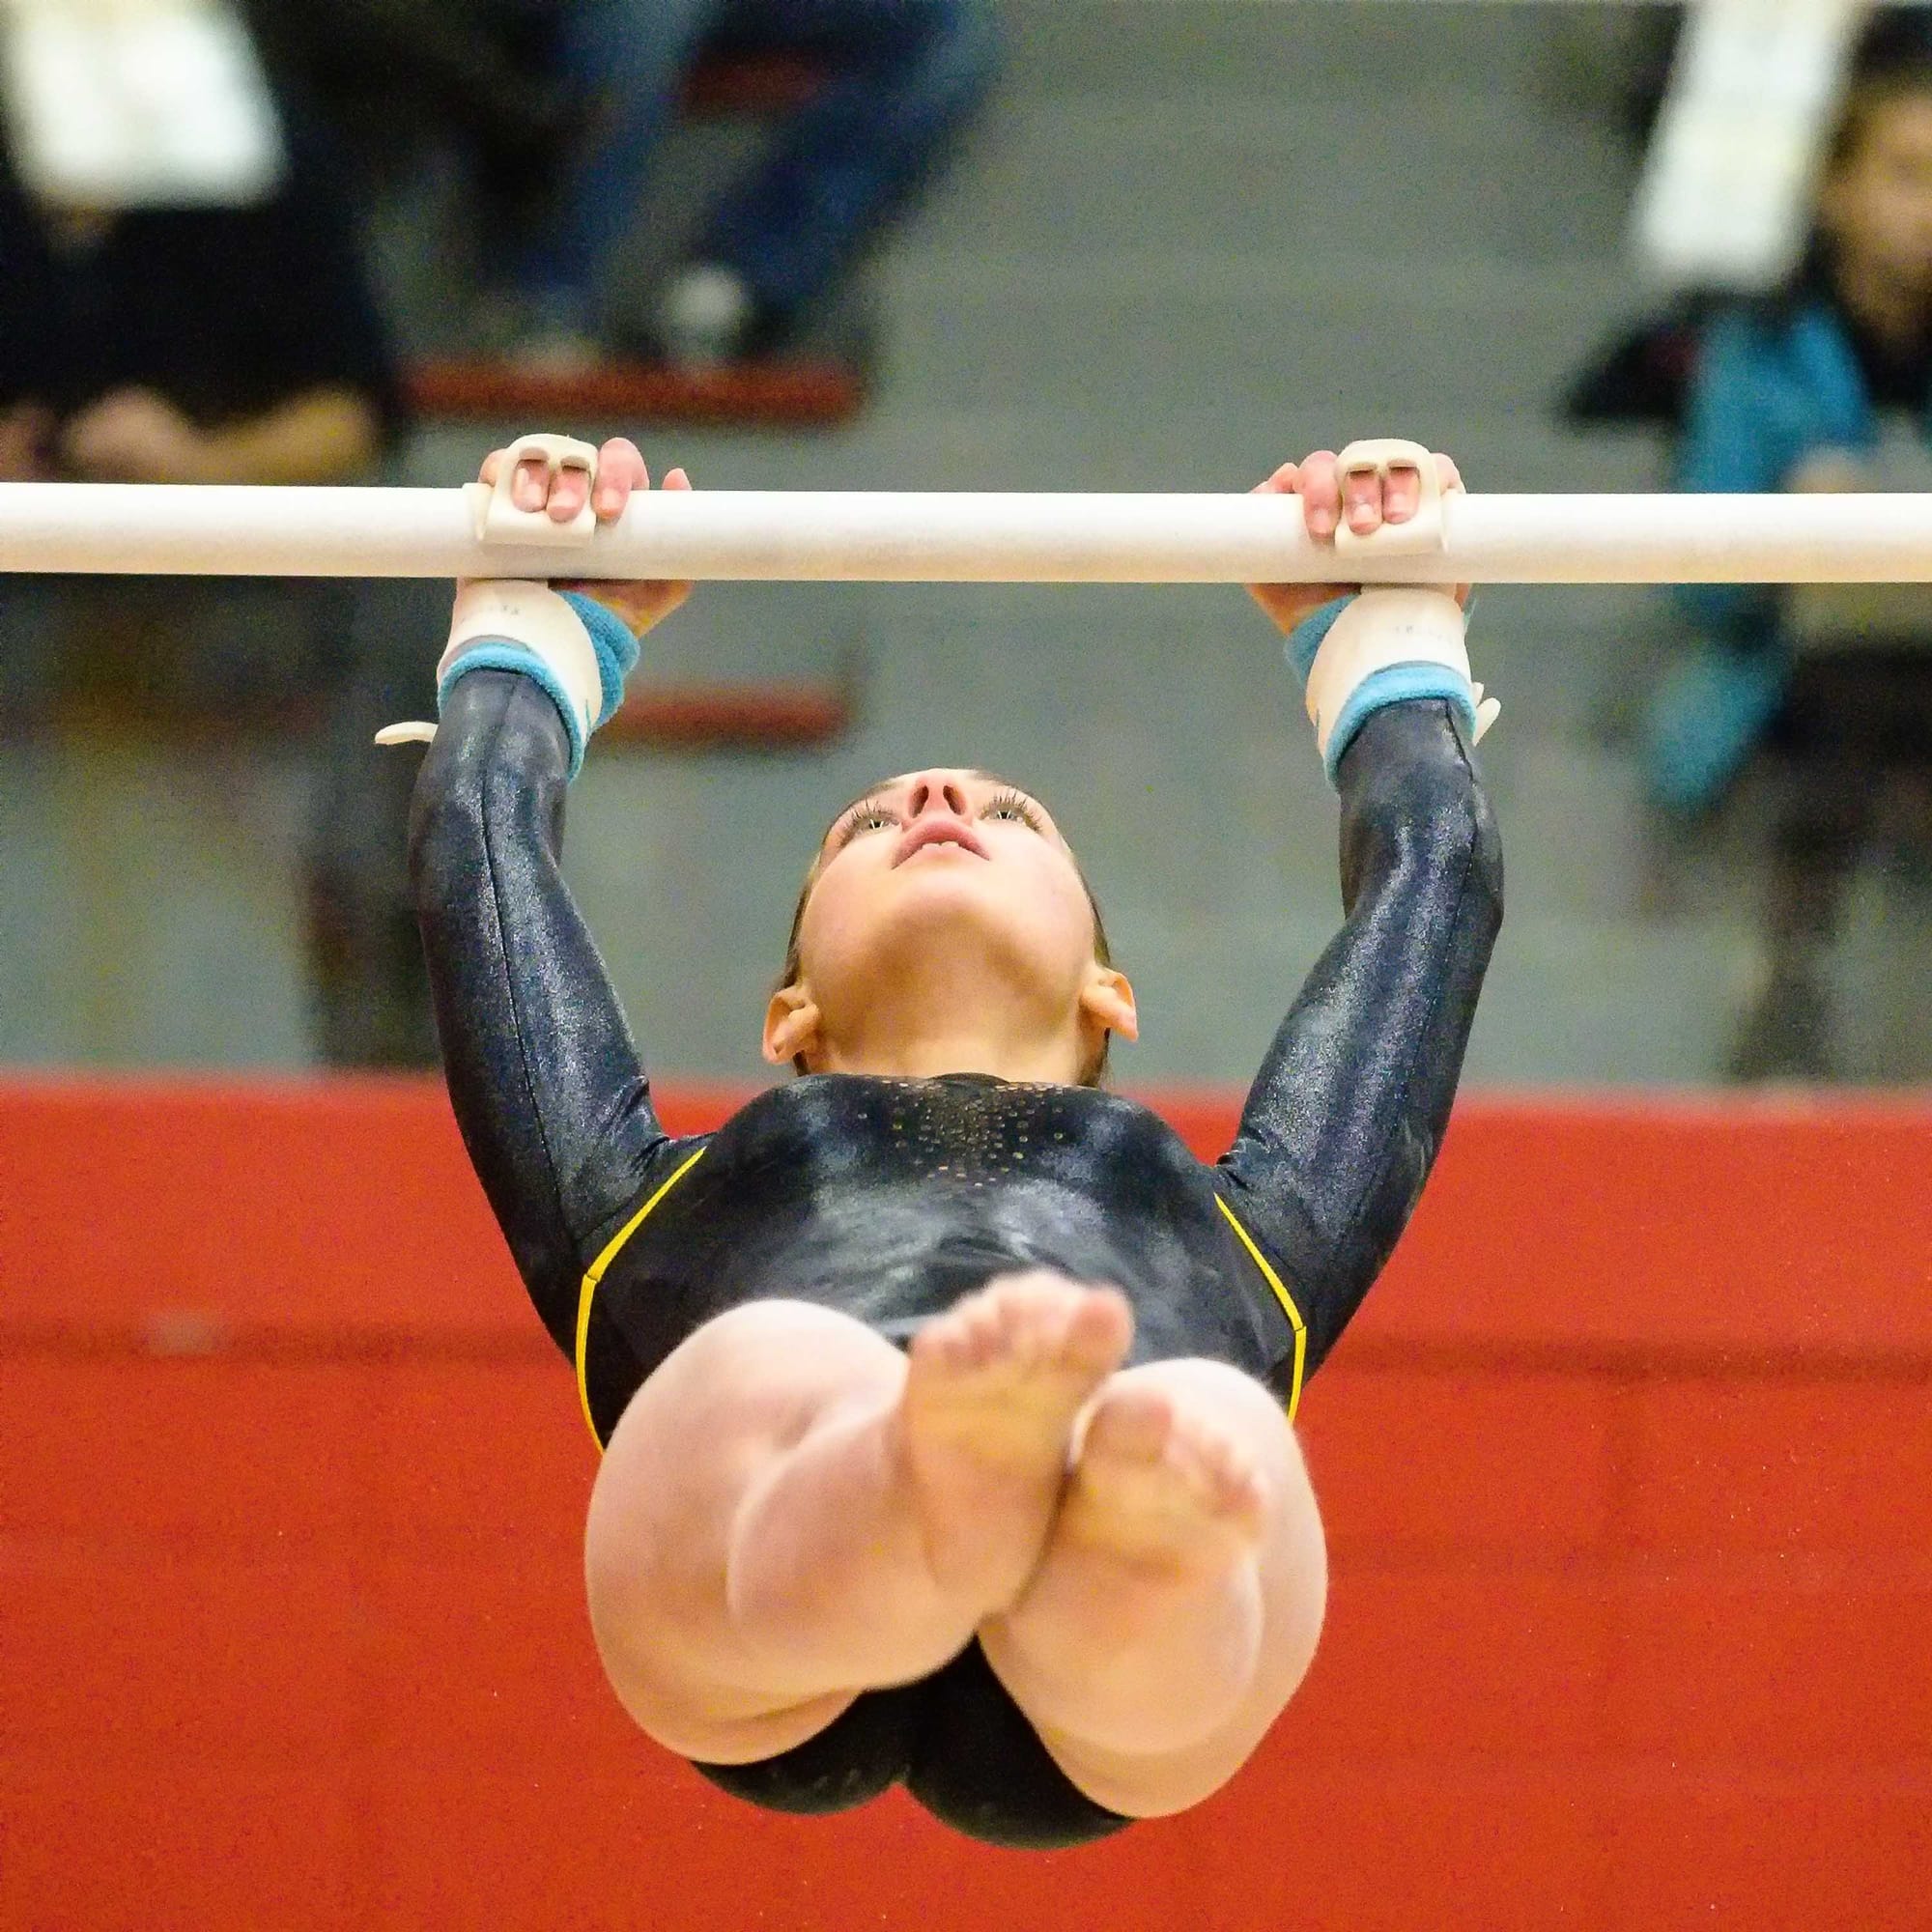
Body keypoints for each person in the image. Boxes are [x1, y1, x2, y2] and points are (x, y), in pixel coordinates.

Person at [404, 435, 1503, 1846]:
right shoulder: (656, 1197)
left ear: (1110, 988)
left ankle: (1084, 1526)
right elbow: (476, 858)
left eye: (1004, 813)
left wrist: (1375, 637)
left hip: (1095, 1690)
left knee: (1210, 1434)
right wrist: (554, 618)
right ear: (788, 1013)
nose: (933, 800)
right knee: (772, 1373)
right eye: (871, 819)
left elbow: (1436, 889)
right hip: (763, 1602)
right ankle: (922, 1486)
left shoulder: (1238, 1224)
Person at [1640, 49, 1932, 1078]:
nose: (1926, 209)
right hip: (1786, 675)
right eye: (1905, 174)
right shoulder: (1755, 348)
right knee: (1854, 696)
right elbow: (1697, 579)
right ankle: (1785, 1008)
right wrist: (1794, 532)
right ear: (1834, 189)